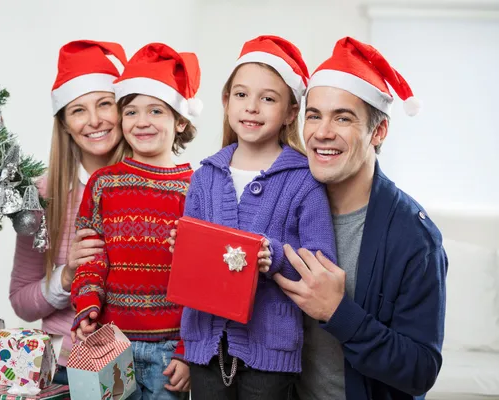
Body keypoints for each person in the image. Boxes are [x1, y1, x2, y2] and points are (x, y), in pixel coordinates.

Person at [273, 37, 448, 399]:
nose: (322, 133)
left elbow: (420, 370)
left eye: (343, 118)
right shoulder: (283, 202)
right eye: (314, 115)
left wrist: (338, 312)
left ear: (378, 131)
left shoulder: (415, 237)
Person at [169, 35, 337, 400]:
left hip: (270, 348)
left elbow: (322, 262)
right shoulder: (205, 176)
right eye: (241, 95)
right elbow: (192, 268)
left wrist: (273, 257)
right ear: (227, 102)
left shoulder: (304, 182)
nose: (252, 107)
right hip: (204, 342)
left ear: (291, 112)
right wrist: (182, 248)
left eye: (268, 98)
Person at [70, 43, 201, 399]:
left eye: (156, 110)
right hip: (110, 343)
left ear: (181, 120)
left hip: (169, 352)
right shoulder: (103, 184)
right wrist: (86, 308)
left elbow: (202, 280)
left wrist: (189, 351)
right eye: (131, 112)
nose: (142, 122)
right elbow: (91, 257)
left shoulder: (198, 188)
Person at [9, 40, 128, 384]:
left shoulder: (158, 188)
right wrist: (65, 275)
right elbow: (21, 302)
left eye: (105, 104)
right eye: (78, 110)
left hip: (146, 361)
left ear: (123, 109)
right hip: (68, 368)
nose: (94, 121)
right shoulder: (41, 195)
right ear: (63, 123)